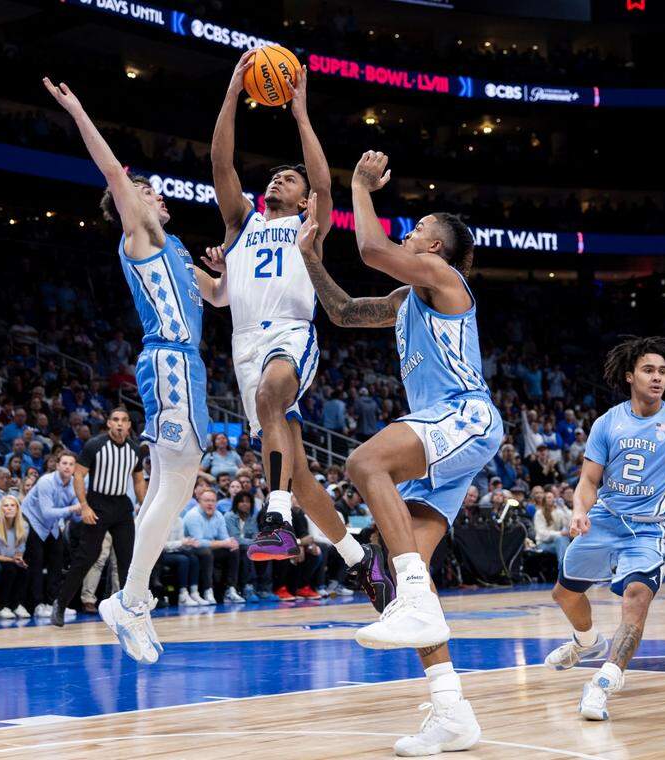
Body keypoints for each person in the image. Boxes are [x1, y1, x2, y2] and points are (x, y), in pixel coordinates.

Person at [297, 159, 501, 754]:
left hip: (464, 416)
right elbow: (343, 311)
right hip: (442, 436)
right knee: (396, 573)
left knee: (363, 463)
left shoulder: (441, 275)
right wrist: (311, 253)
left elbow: (370, 248)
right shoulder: (406, 299)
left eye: (415, 230)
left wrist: (358, 188)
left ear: (434, 246)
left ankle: (413, 602)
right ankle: (451, 710)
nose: (407, 235)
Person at [42, 76, 221, 664]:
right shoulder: (140, 236)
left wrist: (224, 268)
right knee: (176, 478)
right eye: (146, 192)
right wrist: (79, 112)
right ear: (132, 204)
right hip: (168, 358)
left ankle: (132, 597)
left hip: (187, 363)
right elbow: (115, 175)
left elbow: (219, 298)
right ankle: (130, 598)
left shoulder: (177, 251)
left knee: (175, 482)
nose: (156, 196)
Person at [210, 53, 384, 614]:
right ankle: (360, 560)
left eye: (287, 178)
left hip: (291, 332)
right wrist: (234, 91)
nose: (275, 181)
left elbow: (322, 179)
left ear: (304, 197)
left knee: (271, 395)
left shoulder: (308, 223)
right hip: (244, 345)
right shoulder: (242, 223)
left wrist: (301, 110)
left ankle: (275, 515)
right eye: (274, 178)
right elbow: (221, 162)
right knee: (305, 476)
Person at [545, 336, 665, 721]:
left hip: (648, 530)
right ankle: (586, 642)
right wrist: (578, 511)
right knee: (564, 595)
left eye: (663, 372)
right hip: (603, 520)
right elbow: (588, 480)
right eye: (649, 370)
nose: (657, 378)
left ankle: (604, 682)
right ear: (629, 376)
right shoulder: (608, 422)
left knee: (636, 596)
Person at [51, 408, 145, 627]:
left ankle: (127, 609)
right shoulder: (95, 445)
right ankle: (61, 603)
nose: (120, 424)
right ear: (109, 424)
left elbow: (139, 480)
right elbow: (79, 475)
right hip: (97, 503)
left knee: (126, 560)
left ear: (129, 425)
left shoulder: (134, 449)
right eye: (115, 420)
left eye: (124, 420)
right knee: (87, 557)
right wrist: (84, 506)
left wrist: (144, 504)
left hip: (121, 506)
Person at [20, 451, 81, 617]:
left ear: (75, 467)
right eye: (64, 463)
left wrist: (81, 511)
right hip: (33, 519)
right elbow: (46, 512)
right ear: (57, 465)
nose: (68, 467)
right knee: (37, 563)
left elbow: (76, 512)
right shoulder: (45, 482)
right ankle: (38, 604)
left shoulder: (75, 483)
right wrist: (72, 509)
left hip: (52, 523)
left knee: (57, 562)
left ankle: (55, 602)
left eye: (71, 464)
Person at [182, 488, 243, 604]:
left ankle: (230, 589)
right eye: (206, 500)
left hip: (210, 547)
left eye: (213, 501)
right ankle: (207, 591)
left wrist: (231, 542)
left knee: (233, 550)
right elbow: (198, 542)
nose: (210, 503)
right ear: (199, 501)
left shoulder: (218, 515)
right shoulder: (193, 516)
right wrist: (224, 543)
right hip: (190, 549)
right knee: (206, 552)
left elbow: (224, 537)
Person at [0, 495, 28, 619]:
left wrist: (19, 559)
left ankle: (16, 604)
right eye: (6, 506)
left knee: (24, 568)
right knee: (10, 569)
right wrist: (13, 560)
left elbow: (21, 549)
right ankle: (2, 606)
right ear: (1, 509)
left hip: (11, 559)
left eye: (13, 505)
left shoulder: (24, 525)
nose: (10, 508)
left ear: (18, 509)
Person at [534, 493, 573, 565]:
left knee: (566, 542)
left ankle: (565, 567)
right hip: (543, 544)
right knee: (562, 540)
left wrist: (564, 507)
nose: (551, 499)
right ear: (544, 500)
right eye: (548, 497)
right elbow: (542, 534)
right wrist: (559, 533)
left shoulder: (558, 512)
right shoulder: (539, 513)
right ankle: (565, 567)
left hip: (558, 542)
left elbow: (570, 522)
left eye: (553, 497)